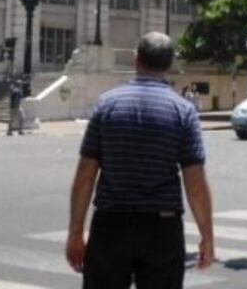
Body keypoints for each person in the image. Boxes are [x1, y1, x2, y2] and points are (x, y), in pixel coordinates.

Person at [66, 32, 214, 289]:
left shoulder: (107, 105)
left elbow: (85, 176)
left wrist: (75, 232)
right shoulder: (183, 111)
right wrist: (207, 235)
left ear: (137, 59)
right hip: (162, 227)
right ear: (169, 64)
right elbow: (195, 183)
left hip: (111, 224)